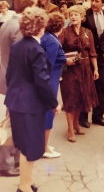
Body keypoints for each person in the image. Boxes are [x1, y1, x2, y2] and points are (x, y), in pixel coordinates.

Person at [4, 7, 61, 192]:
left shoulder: (18, 45)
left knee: (23, 145)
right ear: (41, 27)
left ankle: (26, 182)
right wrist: (54, 103)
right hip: (30, 105)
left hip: (16, 102)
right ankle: (24, 186)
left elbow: (10, 75)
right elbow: (42, 82)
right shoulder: (36, 49)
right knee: (31, 148)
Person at [0, 0, 37, 177]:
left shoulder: (7, 23)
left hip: (5, 79)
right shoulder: (19, 27)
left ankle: (7, 161)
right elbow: (23, 59)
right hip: (13, 83)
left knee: (6, 122)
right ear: (29, 7)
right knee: (10, 124)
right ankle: (6, 164)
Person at [59, 5, 99, 142]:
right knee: (70, 98)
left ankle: (76, 124)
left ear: (82, 17)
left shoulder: (88, 32)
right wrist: (65, 60)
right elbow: (57, 51)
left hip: (85, 69)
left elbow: (92, 53)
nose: (73, 17)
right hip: (69, 70)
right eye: (71, 15)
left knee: (80, 97)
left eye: (76, 14)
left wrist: (96, 69)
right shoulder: (64, 32)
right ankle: (70, 128)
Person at [79, 0, 104, 128]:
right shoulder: (85, 15)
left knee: (100, 84)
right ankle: (83, 117)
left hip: (101, 55)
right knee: (86, 85)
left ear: (103, 3)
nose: (93, 3)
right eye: (91, 0)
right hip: (87, 55)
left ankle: (97, 116)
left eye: (96, 1)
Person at [41, 12, 74, 158]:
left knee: (45, 114)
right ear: (60, 26)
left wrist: (64, 58)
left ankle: (43, 144)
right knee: (49, 113)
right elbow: (47, 67)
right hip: (51, 83)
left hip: (51, 80)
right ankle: (44, 148)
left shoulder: (47, 38)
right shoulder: (53, 42)